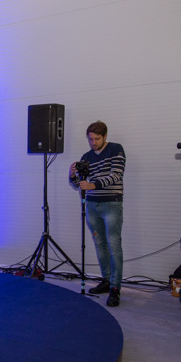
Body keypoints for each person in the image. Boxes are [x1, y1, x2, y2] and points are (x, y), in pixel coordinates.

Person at [68, 121, 125, 307]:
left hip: (111, 204)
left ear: (105, 136)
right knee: (100, 244)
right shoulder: (87, 156)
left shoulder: (115, 149)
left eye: (97, 139)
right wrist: (72, 176)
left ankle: (115, 287)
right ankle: (106, 280)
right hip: (92, 205)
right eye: (91, 139)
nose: (93, 143)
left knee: (114, 244)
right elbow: (80, 184)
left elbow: (116, 175)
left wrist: (93, 185)